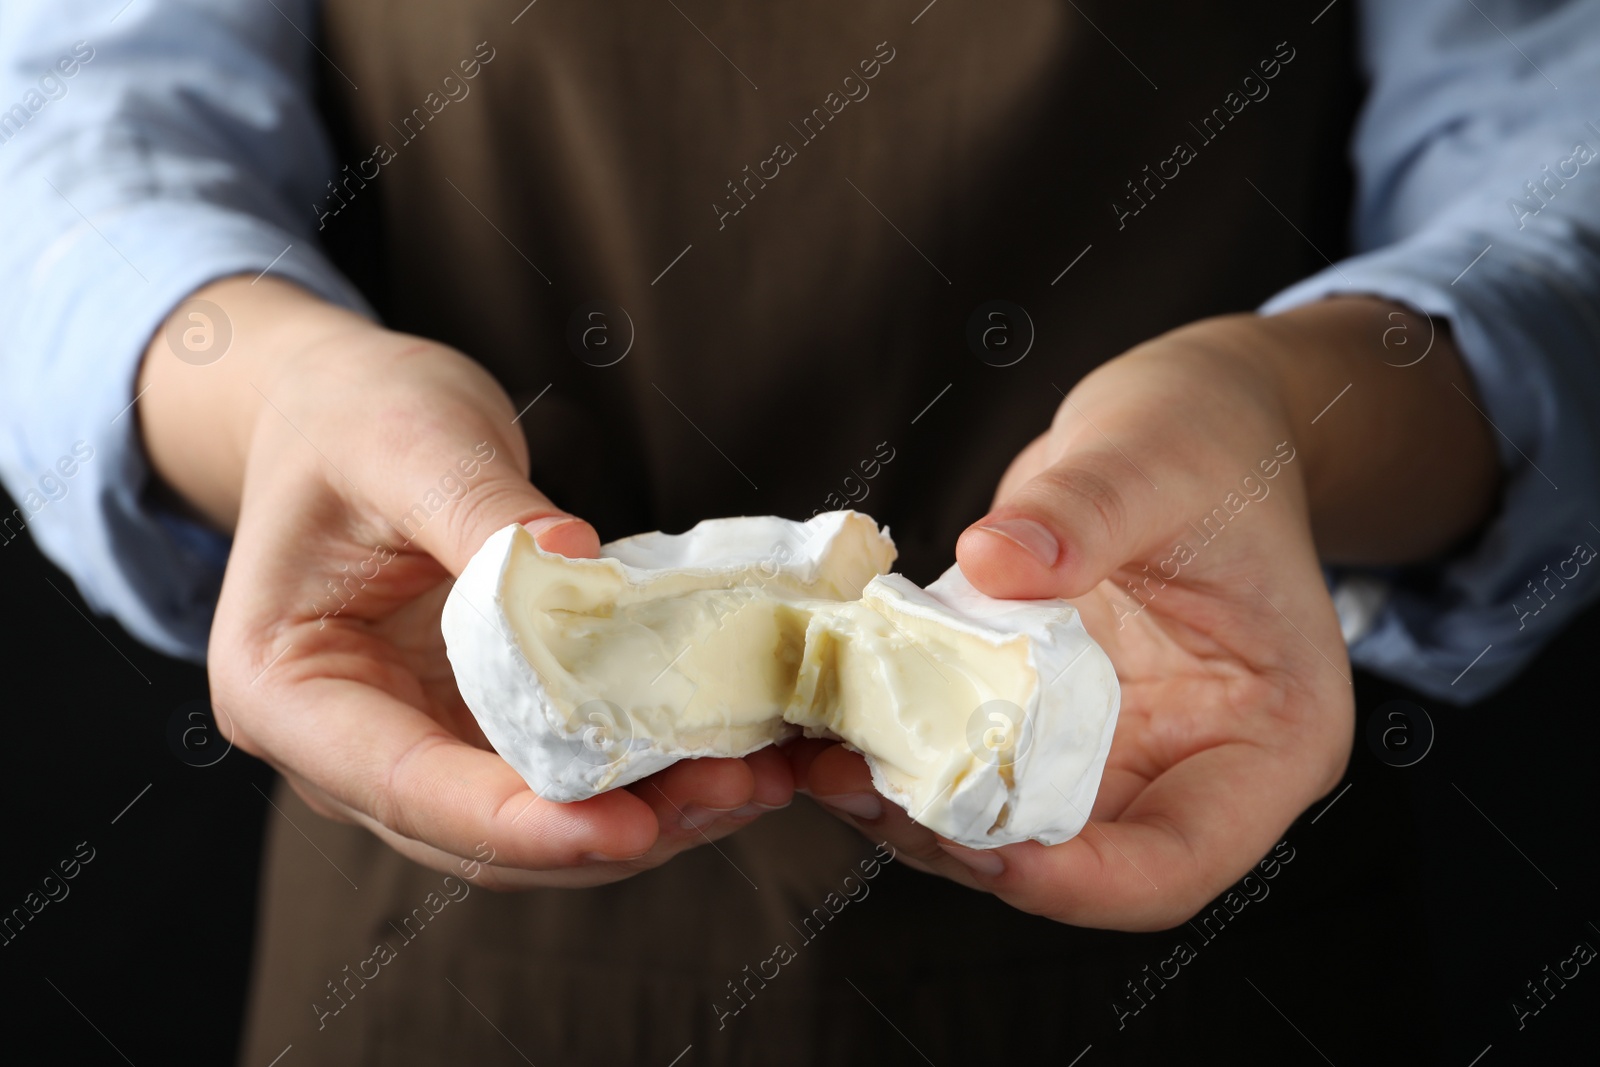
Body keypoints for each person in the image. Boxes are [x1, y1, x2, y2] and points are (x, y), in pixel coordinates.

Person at [2, 1, 1597, 1062]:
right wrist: (280, 391)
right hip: (444, 938)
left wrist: (1282, 420)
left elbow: (1558, 165)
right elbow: (70, 130)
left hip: (1196, 887)